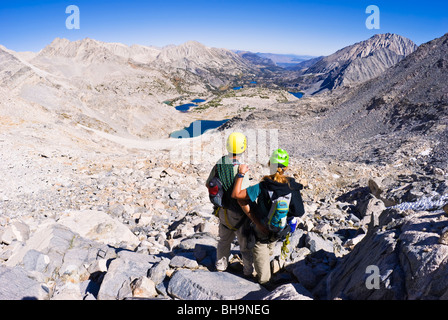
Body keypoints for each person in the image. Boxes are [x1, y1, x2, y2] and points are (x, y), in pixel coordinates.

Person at [231, 148, 305, 286]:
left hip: (262, 228)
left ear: (270, 164)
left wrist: (240, 175)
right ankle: (267, 267)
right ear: (286, 167)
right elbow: (299, 212)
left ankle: (265, 284)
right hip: (280, 228)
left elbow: (236, 195)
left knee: (261, 251)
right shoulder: (292, 186)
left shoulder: (263, 186)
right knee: (269, 245)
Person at [205, 132, 254, 277]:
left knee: (223, 240)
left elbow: (208, 183)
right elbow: (242, 196)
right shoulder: (241, 169)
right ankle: (248, 271)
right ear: (243, 148)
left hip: (222, 210)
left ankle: (220, 265)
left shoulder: (220, 163)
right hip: (238, 213)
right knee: (244, 244)